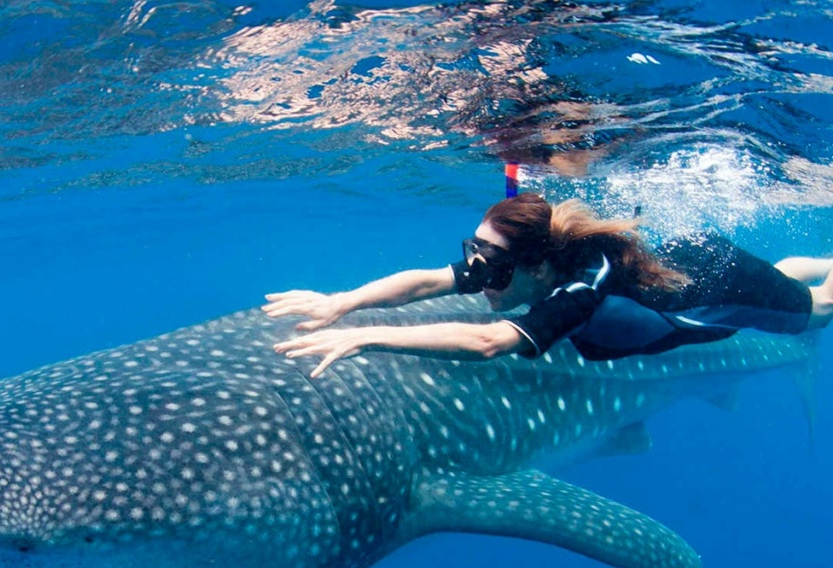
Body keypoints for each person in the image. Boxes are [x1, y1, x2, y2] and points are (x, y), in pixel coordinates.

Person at [263, 193, 833, 378]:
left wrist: (366, 339)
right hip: (691, 262)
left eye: (490, 265)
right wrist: (344, 302)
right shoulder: (521, 261)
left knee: (819, 308)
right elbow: (424, 283)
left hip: (716, 288)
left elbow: (489, 343)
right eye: (475, 256)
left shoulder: (579, 293)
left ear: (537, 268)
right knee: (782, 274)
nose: (478, 273)